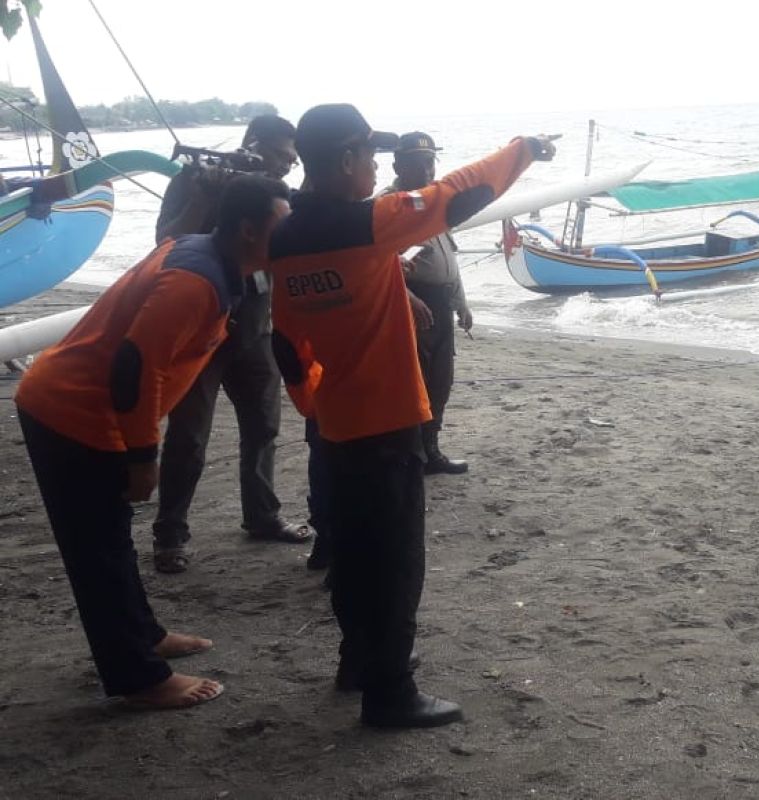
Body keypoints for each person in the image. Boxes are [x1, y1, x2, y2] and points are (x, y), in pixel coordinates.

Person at [270, 103, 555, 729]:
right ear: (346, 161)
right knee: (396, 562)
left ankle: (357, 663)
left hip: (336, 424)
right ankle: (391, 692)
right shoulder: (368, 223)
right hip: (388, 422)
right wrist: (524, 148)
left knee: (351, 554)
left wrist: (315, 403)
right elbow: (455, 193)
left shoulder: (285, 238)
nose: (376, 167)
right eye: (369, 156)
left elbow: (289, 344)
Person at [14, 175, 291, 709]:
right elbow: (133, 368)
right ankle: (139, 678)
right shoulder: (195, 283)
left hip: (88, 408)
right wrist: (144, 456)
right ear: (249, 230)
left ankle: (145, 634)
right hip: (72, 412)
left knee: (112, 540)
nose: (293, 235)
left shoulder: (208, 255)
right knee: (96, 552)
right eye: (285, 225)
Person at [151, 114, 310, 574]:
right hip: (202, 332)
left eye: (295, 157)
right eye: (284, 155)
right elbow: (166, 243)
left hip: (255, 330)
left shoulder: (277, 194)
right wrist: (205, 198)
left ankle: (262, 515)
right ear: (256, 145)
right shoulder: (196, 179)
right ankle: (170, 534)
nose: (290, 165)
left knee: (263, 428)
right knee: (188, 437)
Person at [388, 132, 472, 475]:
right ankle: (413, 453)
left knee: (440, 380)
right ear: (397, 165)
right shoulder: (389, 207)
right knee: (414, 383)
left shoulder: (434, 203)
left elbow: (448, 261)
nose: (427, 170)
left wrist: (461, 304)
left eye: (430, 162)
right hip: (410, 301)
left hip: (440, 303)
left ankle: (431, 450)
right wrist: (407, 297)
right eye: (417, 163)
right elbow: (374, 264)